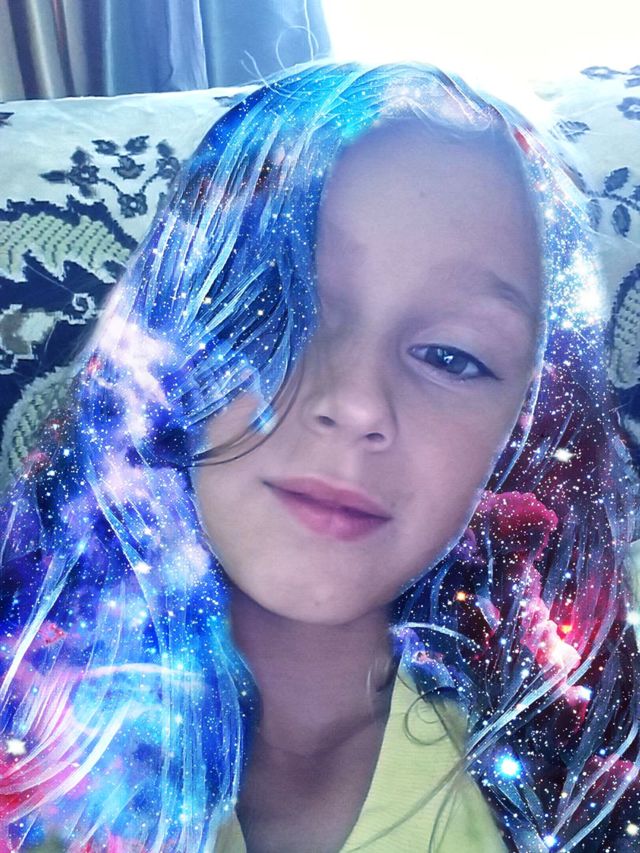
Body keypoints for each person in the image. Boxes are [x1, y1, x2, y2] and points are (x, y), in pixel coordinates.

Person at [0, 61, 639, 853]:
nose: (358, 402)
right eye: (279, 308)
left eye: (453, 355)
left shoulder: (582, 728)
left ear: (526, 430)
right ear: (163, 340)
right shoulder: (29, 719)